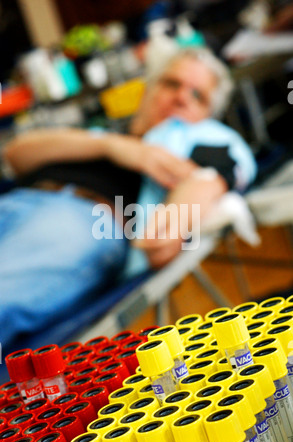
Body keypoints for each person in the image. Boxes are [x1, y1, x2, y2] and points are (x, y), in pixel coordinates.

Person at [1, 47, 256, 347]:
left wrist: (175, 221)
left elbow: (215, 176)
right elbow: (16, 154)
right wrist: (114, 147)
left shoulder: (201, 138)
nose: (182, 97)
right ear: (147, 89)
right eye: (172, 84)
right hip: (16, 202)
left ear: (208, 115)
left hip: (82, 219)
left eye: (198, 95)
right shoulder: (107, 132)